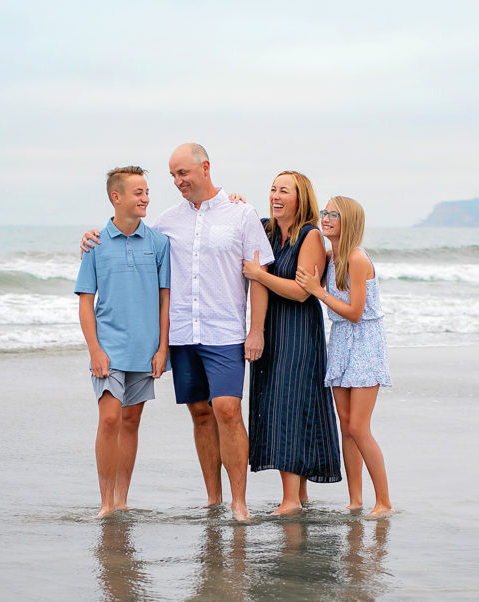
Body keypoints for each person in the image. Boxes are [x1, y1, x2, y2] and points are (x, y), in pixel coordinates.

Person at [81, 144, 274, 521]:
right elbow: (128, 235)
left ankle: (239, 503)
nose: (177, 182)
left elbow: (258, 275)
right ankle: (213, 500)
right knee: (200, 414)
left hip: (225, 331)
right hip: (184, 334)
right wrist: (92, 235)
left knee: (228, 410)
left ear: (205, 167)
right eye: (172, 176)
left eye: (182, 173)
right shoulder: (166, 222)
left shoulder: (241, 213)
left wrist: (257, 330)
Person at [241, 171, 340, 515]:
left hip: (298, 329)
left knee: (290, 404)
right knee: (276, 403)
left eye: (285, 190)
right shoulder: (267, 230)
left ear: (301, 199)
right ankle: (299, 495)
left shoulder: (310, 236)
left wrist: (259, 275)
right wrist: (235, 203)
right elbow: (239, 221)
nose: (276, 195)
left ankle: (291, 500)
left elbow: (301, 293)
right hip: (272, 326)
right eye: (272, 189)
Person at [75, 166, 170, 518]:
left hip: (145, 350)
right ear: (116, 197)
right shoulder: (95, 244)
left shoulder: (159, 243)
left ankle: (122, 499)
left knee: (131, 422)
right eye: (138, 192)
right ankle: (104, 501)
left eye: (147, 192)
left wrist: (163, 348)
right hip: (109, 349)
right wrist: (95, 350)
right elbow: (85, 301)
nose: (145, 198)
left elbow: (165, 299)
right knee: (111, 419)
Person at [295, 196, 393, 517]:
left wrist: (318, 290)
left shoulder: (356, 258)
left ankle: (384, 502)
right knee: (345, 426)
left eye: (333, 214)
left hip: (364, 342)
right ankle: (355, 500)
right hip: (339, 342)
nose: (326, 218)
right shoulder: (330, 256)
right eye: (324, 212)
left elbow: (354, 312)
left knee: (360, 426)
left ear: (347, 220)